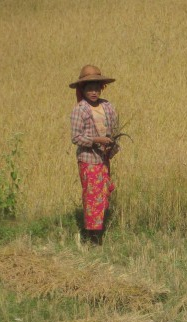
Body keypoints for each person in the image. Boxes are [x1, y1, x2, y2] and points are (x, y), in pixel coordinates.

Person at [69, 65, 120, 246]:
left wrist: (112, 145)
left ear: (102, 88)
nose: (93, 91)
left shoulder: (107, 106)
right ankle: (93, 239)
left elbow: (114, 130)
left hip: (103, 159)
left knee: (103, 196)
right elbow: (76, 137)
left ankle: (96, 236)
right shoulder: (80, 110)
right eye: (89, 88)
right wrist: (97, 139)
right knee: (92, 198)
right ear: (82, 90)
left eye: (96, 87)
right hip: (89, 160)